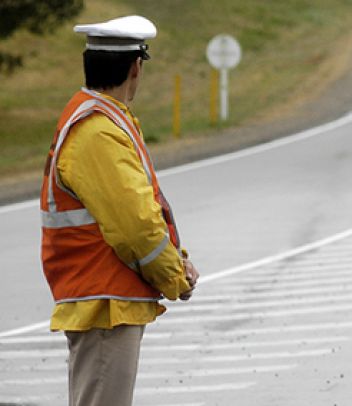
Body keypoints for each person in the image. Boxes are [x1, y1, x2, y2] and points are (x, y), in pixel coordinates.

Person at [39, 15, 199, 406]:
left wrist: (177, 263)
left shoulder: (103, 122)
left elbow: (138, 214)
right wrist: (175, 279)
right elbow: (136, 227)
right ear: (135, 67)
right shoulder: (99, 131)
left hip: (104, 301)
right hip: (103, 304)